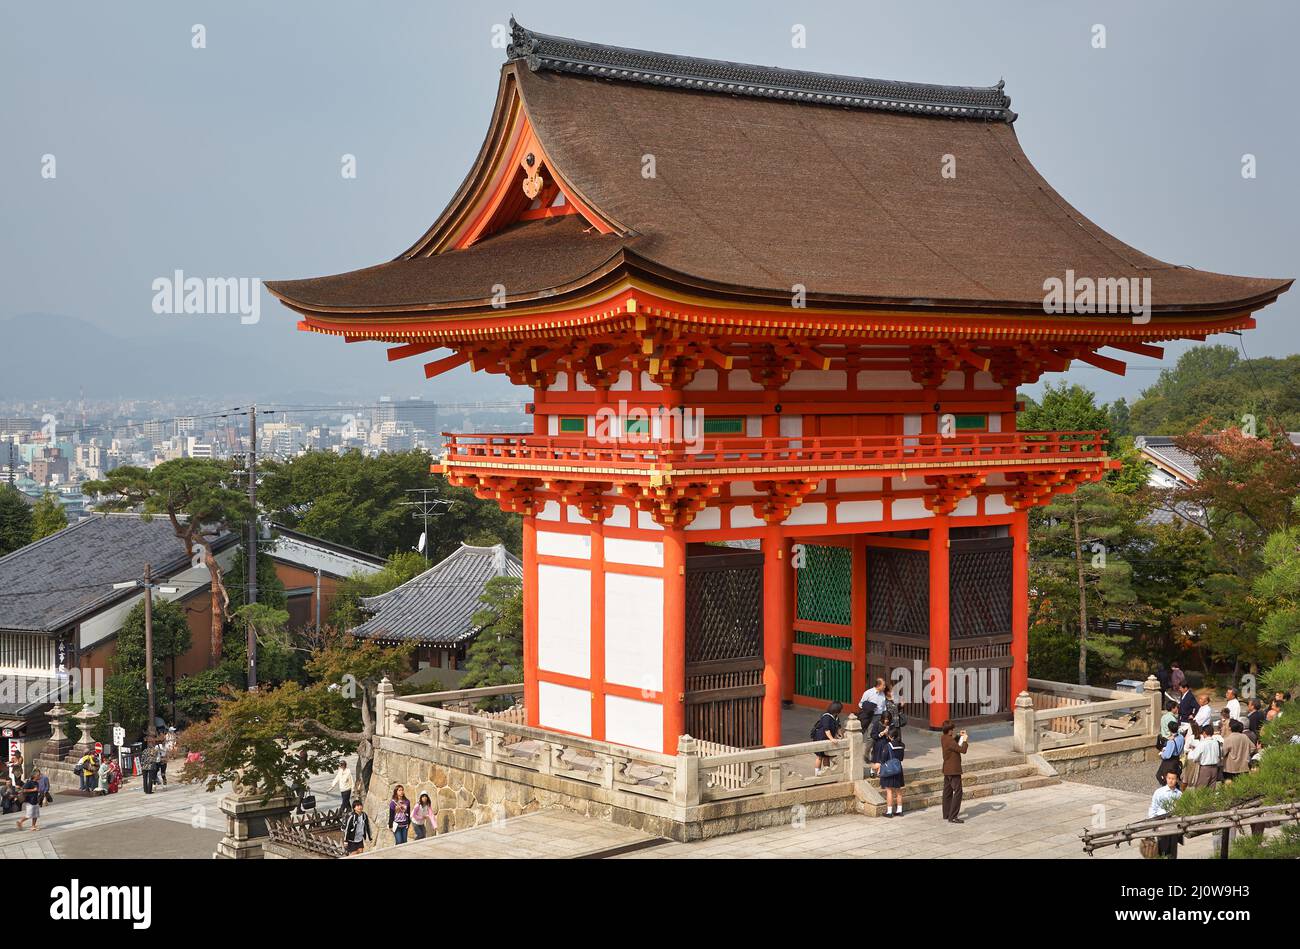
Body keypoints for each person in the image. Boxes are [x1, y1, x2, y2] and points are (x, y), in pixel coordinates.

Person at [1147, 769, 1183, 858]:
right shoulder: (1159, 792)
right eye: (1169, 778)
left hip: (1173, 824)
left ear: (1177, 779)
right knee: (1162, 849)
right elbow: (1153, 808)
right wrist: (1154, 823)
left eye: (1173, 778)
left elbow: (1182, 810)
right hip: (1161, 824)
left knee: (1172, 851)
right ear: (1166, 778)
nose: (1171, 780)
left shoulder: (1179, 794)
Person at [872, 727, 906, 818]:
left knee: (889, 791)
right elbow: (901, 758)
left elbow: (883, 759)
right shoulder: (902, 745)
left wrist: (879, 768)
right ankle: (899, 810)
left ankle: (889, 811)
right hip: (898, 769)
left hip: (890, 770)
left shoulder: (888, 746)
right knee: (898, 791)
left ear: (890, 736)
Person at [940, 720, 968, 824]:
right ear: (949, 730)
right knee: (958, 792)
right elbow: (963, 750)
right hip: (953, 770)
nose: (953, 730)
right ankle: (953, 816)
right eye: (952, 729)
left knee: (947, 792)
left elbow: (953, 744)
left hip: (947, 769)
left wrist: (958, 736)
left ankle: (946, 813)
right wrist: (965, 740)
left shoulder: (944, 738)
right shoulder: (950, 741)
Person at [811, 701, 843, 776]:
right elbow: (826, 729)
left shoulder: (836, 717)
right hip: (821, 737)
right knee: (820, 756)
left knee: (827, 756)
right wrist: (832, 739)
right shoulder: (826, 717)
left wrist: (839, 734)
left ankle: (826, 772)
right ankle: (817, 773)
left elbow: (838, 726)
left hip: (828, 738)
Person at [1155, 719, 1184, 786]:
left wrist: (1162, 753)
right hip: (1177, 758)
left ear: (1169, 729)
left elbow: (1167, 755)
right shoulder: (1181, 737)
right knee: (1174, 776)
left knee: (1161, 776)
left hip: (1170, 761)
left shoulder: (1171, 741)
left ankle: (1168, 789)